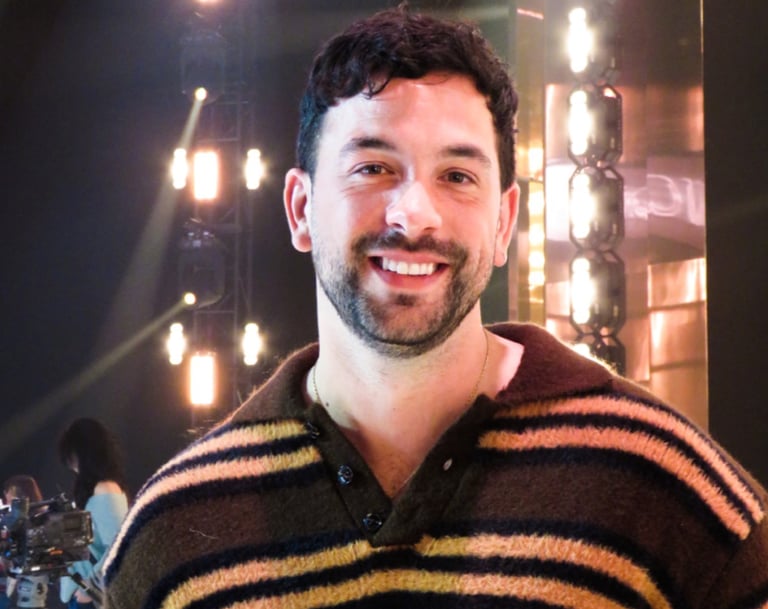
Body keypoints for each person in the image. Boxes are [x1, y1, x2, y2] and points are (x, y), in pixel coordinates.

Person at [103, 6, 768, 608]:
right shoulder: (171, 542)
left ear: (504, 222)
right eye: (373, 168)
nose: (414, 214)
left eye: (457, 176)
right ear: (301, 209)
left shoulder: (665, 490)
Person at [57, 419, 128, 608]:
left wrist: (91, 588)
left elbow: (118, 547)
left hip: (90, 597)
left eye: (72, 456)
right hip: (83, 593)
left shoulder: (105, 489)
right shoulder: (98, 489)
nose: (72, 465)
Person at [1, 476, 51, 609]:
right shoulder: (45, 516)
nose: (6, 496)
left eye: (8, 492)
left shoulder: (20, 522)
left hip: (30, 584)